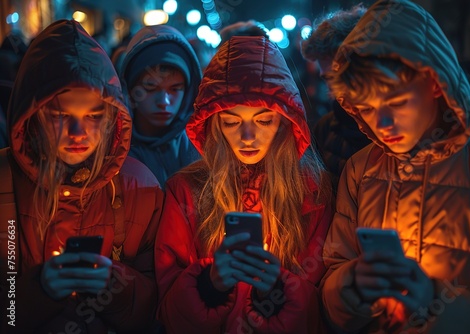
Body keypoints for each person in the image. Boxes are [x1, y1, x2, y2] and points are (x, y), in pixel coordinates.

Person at [321, 0, 470, 333]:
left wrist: (435, 305)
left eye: (398, 102)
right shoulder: (360, 170)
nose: (383, 123)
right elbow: (332, 296)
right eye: (367, 108)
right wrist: (353, 285)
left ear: (435, 83)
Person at [155, 36, 334, 333]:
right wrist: (210, 285)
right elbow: (167, 312)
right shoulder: (186, 191)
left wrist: (274, 292)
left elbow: (320, 311)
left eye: (264, 121)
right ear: (213, 123)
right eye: (232, 122)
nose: (248, 136)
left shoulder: (314, 193)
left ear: (285, 122)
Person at [0, 20, 163, 333]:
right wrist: (37, 291)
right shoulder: (5, 183)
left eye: (93, 116)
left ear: (112, 117)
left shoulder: (139, 188)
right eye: (61, 116)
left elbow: (157, 309)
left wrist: (115, 285)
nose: (78, 133)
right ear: (33, 115)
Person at [300, 4, 372, 192]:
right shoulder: (324, 130)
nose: (336, 89)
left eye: (342, 75)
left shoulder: (396, 131)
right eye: (329, 79)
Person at [120, 24, 201, 187]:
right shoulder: (113, 153)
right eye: (150, 88)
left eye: (175, 88)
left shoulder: (204, 148)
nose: (164, 101)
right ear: (130, 88)